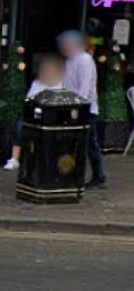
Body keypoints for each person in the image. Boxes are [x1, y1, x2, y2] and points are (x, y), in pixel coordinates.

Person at [57, 30, 107, 189]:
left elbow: (85, 87)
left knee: (89, 143)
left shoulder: (84, 60)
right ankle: (72, 174)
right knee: (75, 143)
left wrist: (77, 107)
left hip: (85, 109)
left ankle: (99, 176)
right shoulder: (69, 60)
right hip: (72, 106)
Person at [4, 55, 64, 171]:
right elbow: (30, 100)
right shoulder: (37, 84)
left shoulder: (61, 84)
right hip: (36, 115)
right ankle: (15, 158)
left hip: (53, 117)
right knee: (20, 127)